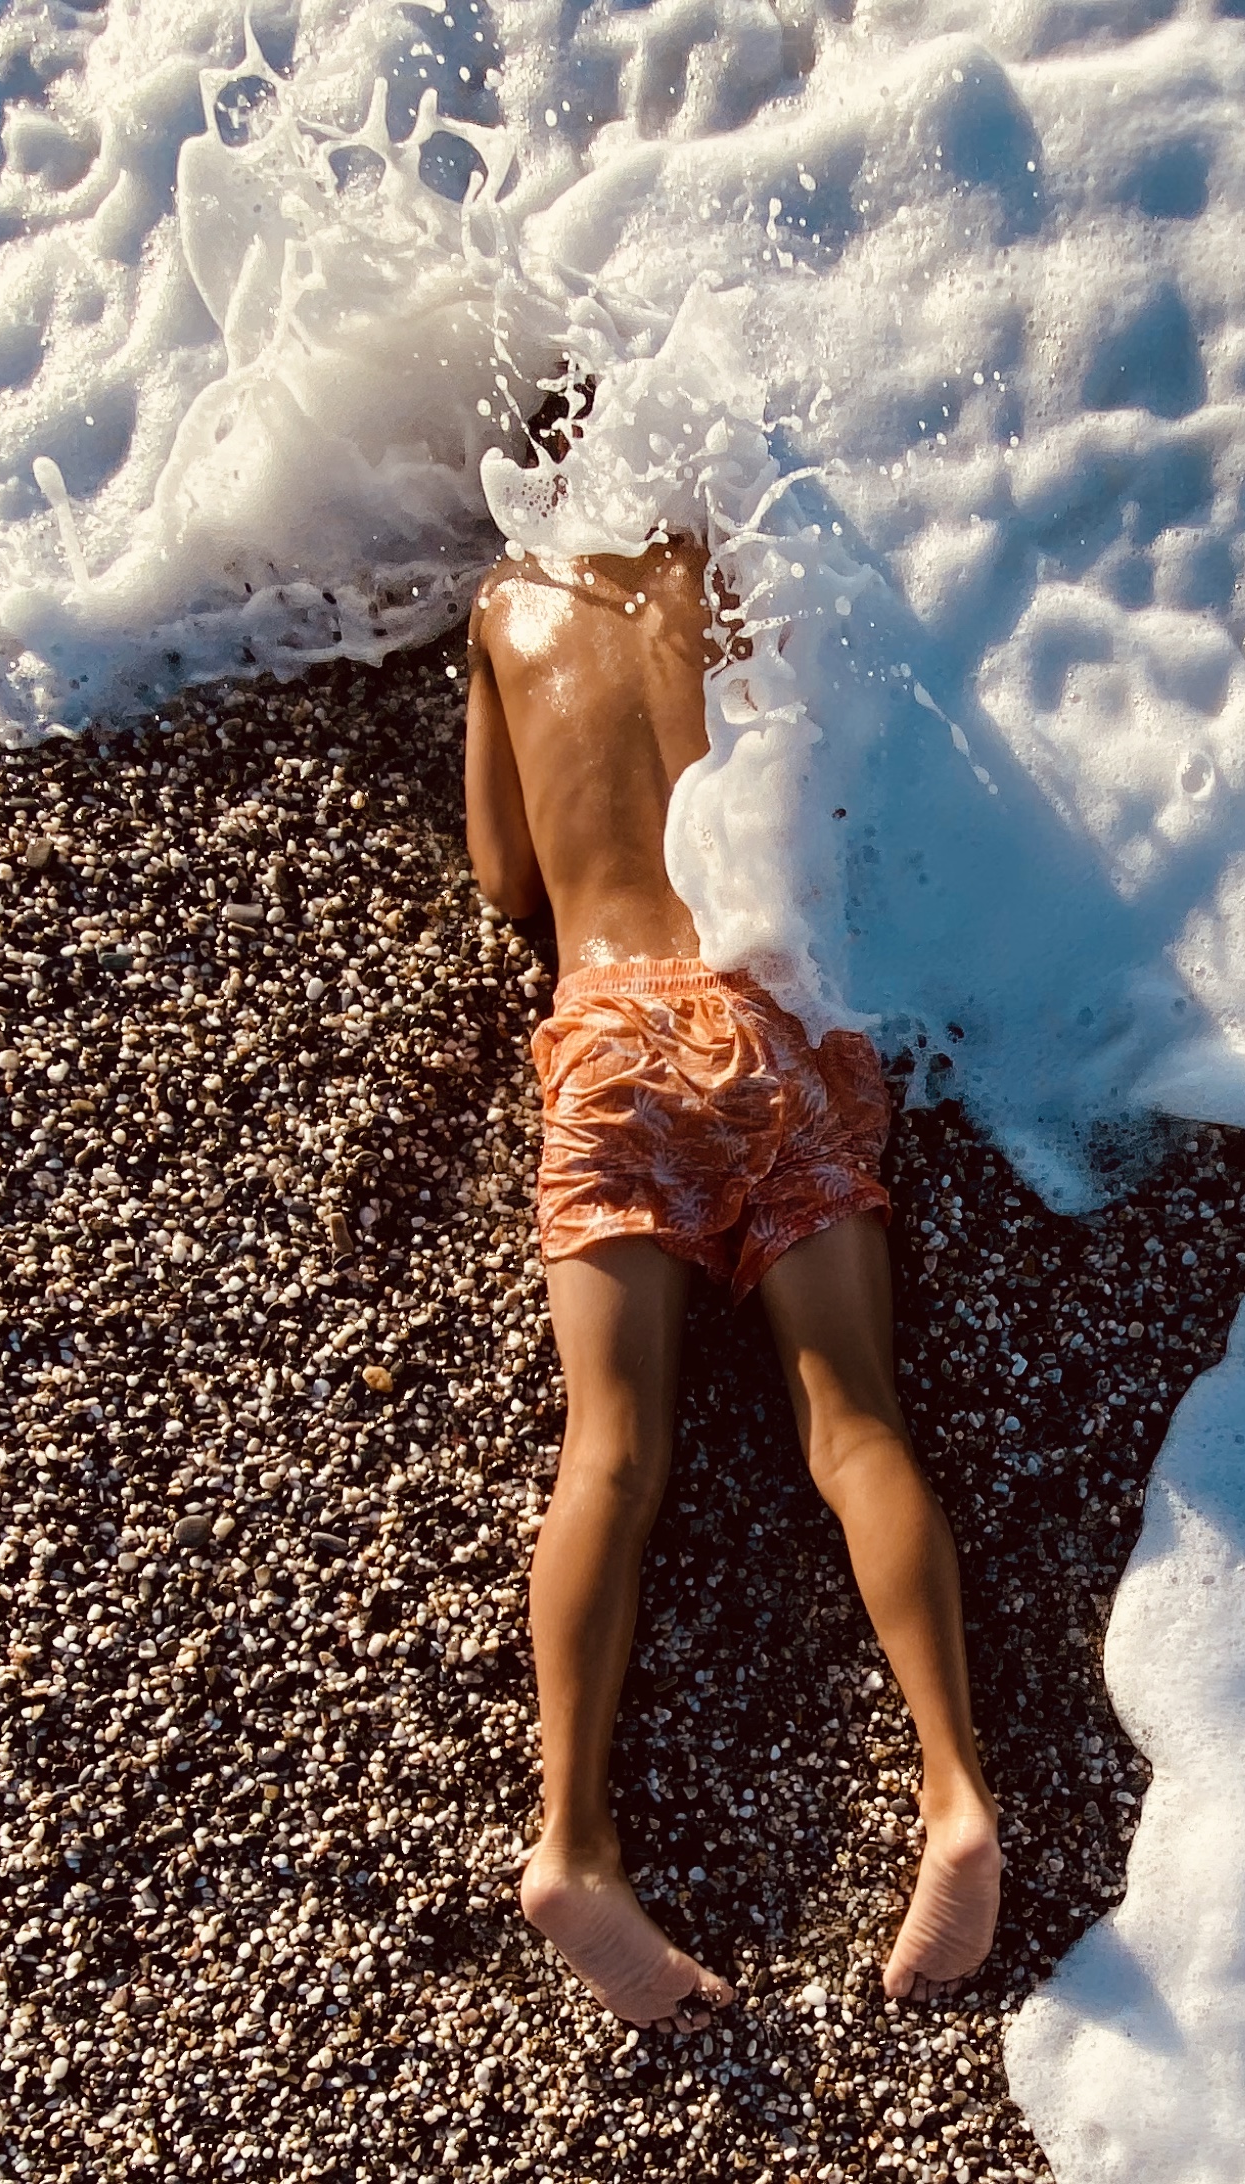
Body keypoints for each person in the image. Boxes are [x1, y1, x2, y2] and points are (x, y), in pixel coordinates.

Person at [461, 529, 1003, 2034]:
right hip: (769, 1015)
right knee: (856, 1430)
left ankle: (573, 1842)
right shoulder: (733, 572)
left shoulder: (502, 605)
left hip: (614, 1034)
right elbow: (833, 808)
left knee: (612, 1454)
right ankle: (954, 1791)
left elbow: (507, 880)